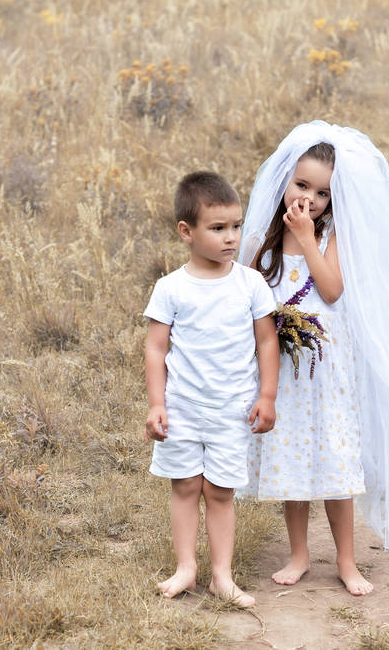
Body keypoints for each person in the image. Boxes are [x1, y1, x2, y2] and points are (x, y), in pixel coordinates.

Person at [238, 121, 389, 596]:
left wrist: (308, 237)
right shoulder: (263, 240)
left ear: (333, 201)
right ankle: (299, 554)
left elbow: (331, 290)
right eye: (301, 185)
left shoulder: (330, 237)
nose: (309, 198)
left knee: (334, 461)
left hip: (326, 367)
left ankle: (347, 561)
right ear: (285, 181)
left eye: (322, 194)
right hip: (282, 369)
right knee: (290, 460)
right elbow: (247, 292)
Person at [144, 171, 280, 608]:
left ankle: (223, 574)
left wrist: (268, 396)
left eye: (236, 226)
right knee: (184, 485)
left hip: (231, 408)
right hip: (182, 407)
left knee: (220, 491)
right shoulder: (171, 288)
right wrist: (156, 404)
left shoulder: (249, 283)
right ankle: (187, 567)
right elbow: (155, 348)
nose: (230, 238)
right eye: (217, 228)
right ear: (187, 232)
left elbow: (266, 341)